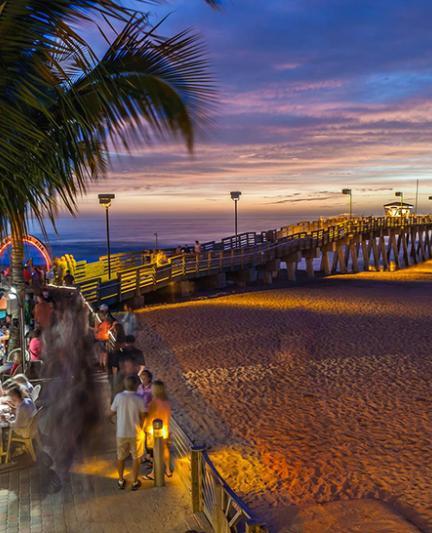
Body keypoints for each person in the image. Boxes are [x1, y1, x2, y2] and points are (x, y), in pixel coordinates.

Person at [110, 375, 147, 491]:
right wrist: (141, 427)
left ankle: (121, 480)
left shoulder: (119, 397)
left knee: (120, 457)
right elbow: (143, 416)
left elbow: (111, 412)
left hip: (121, 433)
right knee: (136, 458)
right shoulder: (139, 398)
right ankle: (135, 481)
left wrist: (113, 421)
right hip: (135, 433)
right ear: (136, 386)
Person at [145, 380, 172, 477]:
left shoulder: (154, 402)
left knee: (156, 451)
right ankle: (168, 470)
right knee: (165, 449)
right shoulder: (166, 401)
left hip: (155, 430)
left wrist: (145, 428)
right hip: (165, 428)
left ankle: (154, 473)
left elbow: (149, 416)